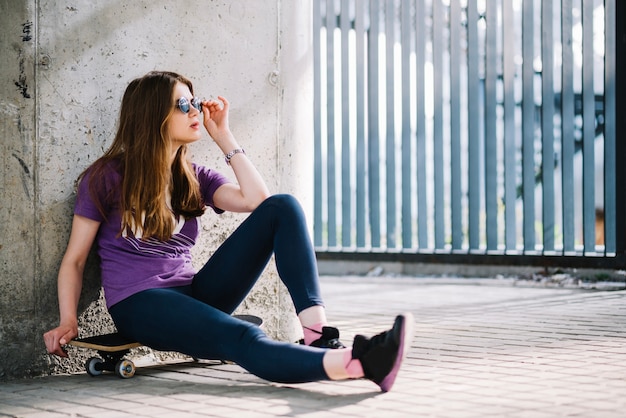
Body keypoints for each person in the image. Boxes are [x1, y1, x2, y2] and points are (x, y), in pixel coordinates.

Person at [43, 70, 413, 392]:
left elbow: (260, 201)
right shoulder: (107, 177)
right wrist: (68, 320)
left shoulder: (193, 177)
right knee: (242, 337)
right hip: (140, 302)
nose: (196, 111)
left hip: (194, 293)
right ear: (153, 116)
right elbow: (75, 261)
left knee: (284, 206)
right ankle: (358, 363)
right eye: (183, 105)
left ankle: (319, 337)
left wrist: (224, 136)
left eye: (194, 102)